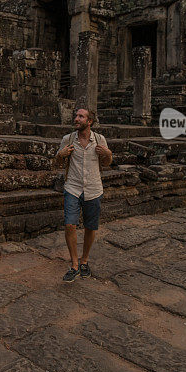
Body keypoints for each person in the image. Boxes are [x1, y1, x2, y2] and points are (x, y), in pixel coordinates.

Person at [54, 107, 112, 282]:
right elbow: (57, 161)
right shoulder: (68, 139)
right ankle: (74, 264)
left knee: (90, 227)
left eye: (81, 116)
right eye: (76, 116)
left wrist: (108, 154)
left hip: (93, 188)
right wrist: (61, 155)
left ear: (89, 121)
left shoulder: (100, 140)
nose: (76, 119)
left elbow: (107, 163)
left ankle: (84, 260)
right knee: (70, 225)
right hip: (72, 187)